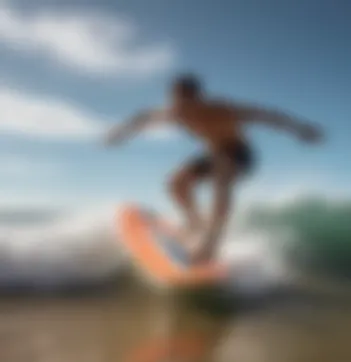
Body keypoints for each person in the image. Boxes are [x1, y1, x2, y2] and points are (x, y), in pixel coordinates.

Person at [104, 74, 323, 264]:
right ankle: (194, 223)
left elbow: (266, 115)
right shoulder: (176, 112)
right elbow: (144, 118)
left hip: (239, 154)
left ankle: (211, 245)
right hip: (214, 154)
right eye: (176, 100)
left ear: (197, 98)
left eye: (185, 101)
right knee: (176, 183)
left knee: (221, 169)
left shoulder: (221, 109)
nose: (180, 108)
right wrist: (121, 133)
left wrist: (300, 129)